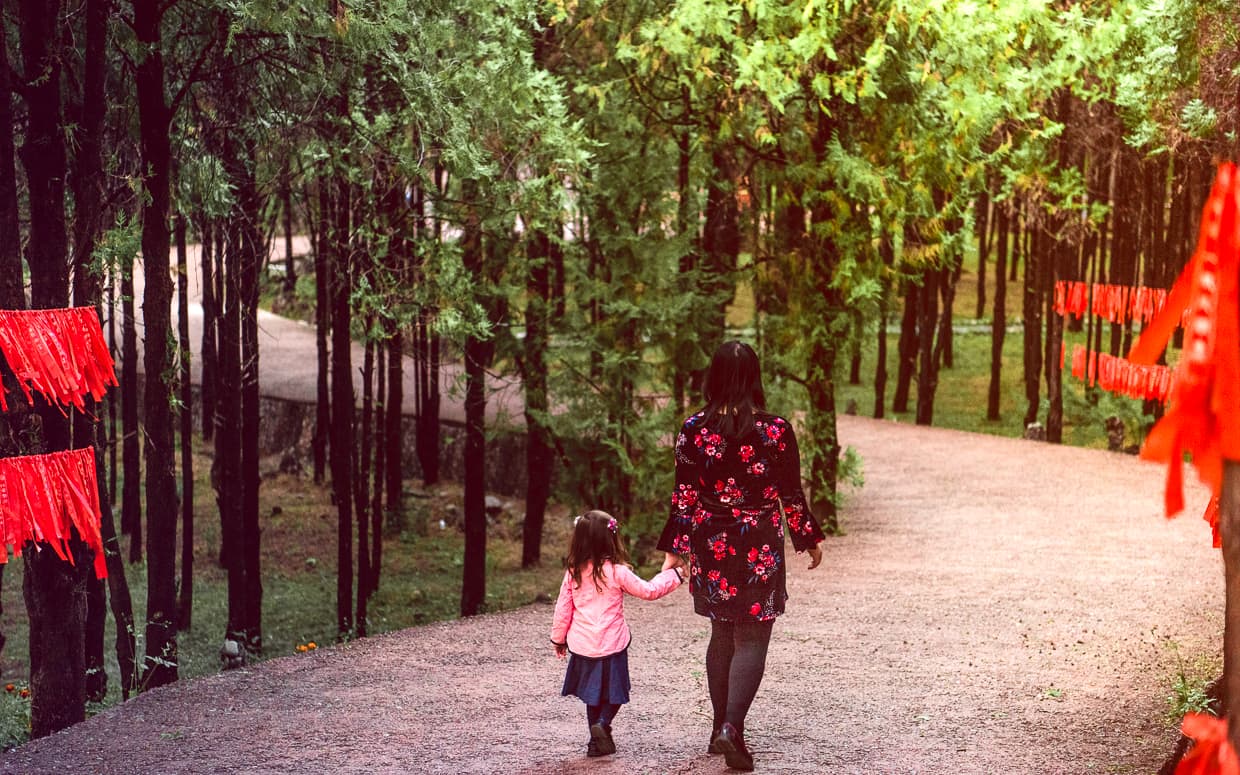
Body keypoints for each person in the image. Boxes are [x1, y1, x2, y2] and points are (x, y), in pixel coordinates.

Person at [657, 340, 825, 772]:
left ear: (712, 376)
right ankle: (733, 728)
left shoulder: (693, 429)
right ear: (755, 377)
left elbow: (684, 496)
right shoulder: (775, 430)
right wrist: (807, 537)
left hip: (711, 540)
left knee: (722, 633)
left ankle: (719, 729)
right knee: (752, 636)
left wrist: (675, 550)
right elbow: (790, 491)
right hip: (759, 544)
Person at [550, 509, 684, 758]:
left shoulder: (573, 572)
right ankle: (603, 724)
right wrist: (674, 575)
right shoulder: (617, 572)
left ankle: (595, 742)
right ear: (611, 540)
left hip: (583, 645)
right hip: (612, 644)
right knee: (617, 692)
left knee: (592, 695)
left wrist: (558, 638)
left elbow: (563, 607)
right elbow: (649, 591)